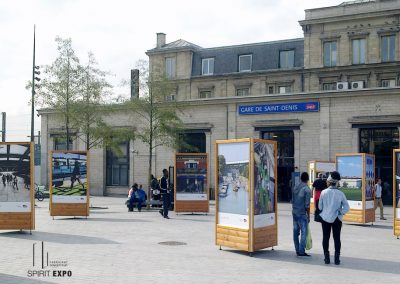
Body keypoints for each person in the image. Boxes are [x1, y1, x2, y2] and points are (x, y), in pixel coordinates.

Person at [318, 171, 350, 265]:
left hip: (325, 218)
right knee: (337, 238)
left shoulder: (323, 192)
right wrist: (340, 212)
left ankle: (326, 258)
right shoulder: (340, 193)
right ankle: (337, 259)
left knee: (325, 238)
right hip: (337, 218)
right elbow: (347, 207)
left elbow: (320, 207)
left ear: (329, 181)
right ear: (337, 182)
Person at [291, 172, 311, 257]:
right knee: (304, 233)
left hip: (294, 212)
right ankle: (301, 251)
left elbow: (292, 200)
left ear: (301, 178)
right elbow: (307, 205)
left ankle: (297, 250)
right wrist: (308, 215)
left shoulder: (295, 187)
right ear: (308, 179)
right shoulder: (307, 189)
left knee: (296, 232)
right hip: (302, 213)